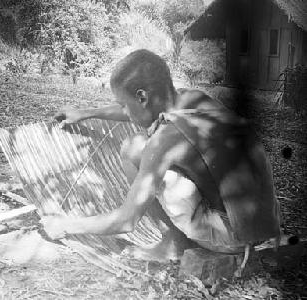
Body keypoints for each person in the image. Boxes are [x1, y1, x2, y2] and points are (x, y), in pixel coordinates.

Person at [40, 49, 281, 262]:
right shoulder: (193, 99)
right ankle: (182, 237)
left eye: (124, 104)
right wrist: (85, 113)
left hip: (231, 237)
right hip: (259, 225)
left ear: (143, 97)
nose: (125, 111)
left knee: (133, 148)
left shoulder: (164, 140)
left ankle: (172, 243)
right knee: (142, 146)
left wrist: (66, 225)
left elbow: (126, 220)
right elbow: (137, 112)